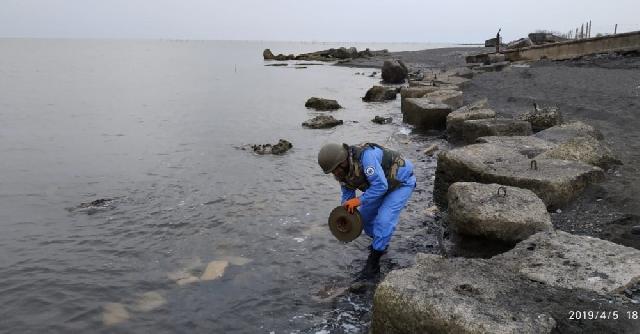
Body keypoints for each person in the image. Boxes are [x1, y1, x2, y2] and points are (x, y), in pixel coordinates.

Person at [317, 142, 416, 280]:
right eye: (332, 172)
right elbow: (347, 196)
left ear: (343, 160)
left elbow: (380, 186)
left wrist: (358, 201)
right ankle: (380, 244)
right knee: (363, 218)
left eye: (336, 169)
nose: (335, 173)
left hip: (401, 183)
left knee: (384, 220)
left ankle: (373, 264)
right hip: (379, 187)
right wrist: (345, 217)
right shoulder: (341, 173)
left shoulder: (366, 158)